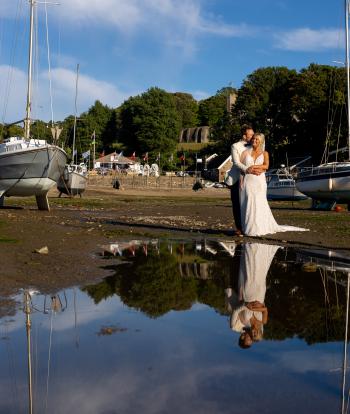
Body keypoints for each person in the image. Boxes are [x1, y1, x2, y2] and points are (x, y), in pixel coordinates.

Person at [239, 132, 309, 236]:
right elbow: (241, 168)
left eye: (257, 139)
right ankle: (249, 227)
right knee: (249, 201)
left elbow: (266, 166)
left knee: (259, 202)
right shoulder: (245, 153)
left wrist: (253, 168)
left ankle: (259, 227)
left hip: (259, 180)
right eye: (253, 138)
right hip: (248, 180)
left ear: (261, 141)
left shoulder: (264, 153)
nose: (254, 140)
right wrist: (241, 180)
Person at [225, 125, 260, 236]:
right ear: (244, 136)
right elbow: (236, 162)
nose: (253, 137)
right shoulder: (235, 146)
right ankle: (239, 228)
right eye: (251, 135)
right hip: (236, 178)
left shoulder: (255, 146)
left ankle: (250, 226)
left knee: (249, 203)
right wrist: (247, 169)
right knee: (237, 204)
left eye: (253, 135)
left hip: (251, 179)